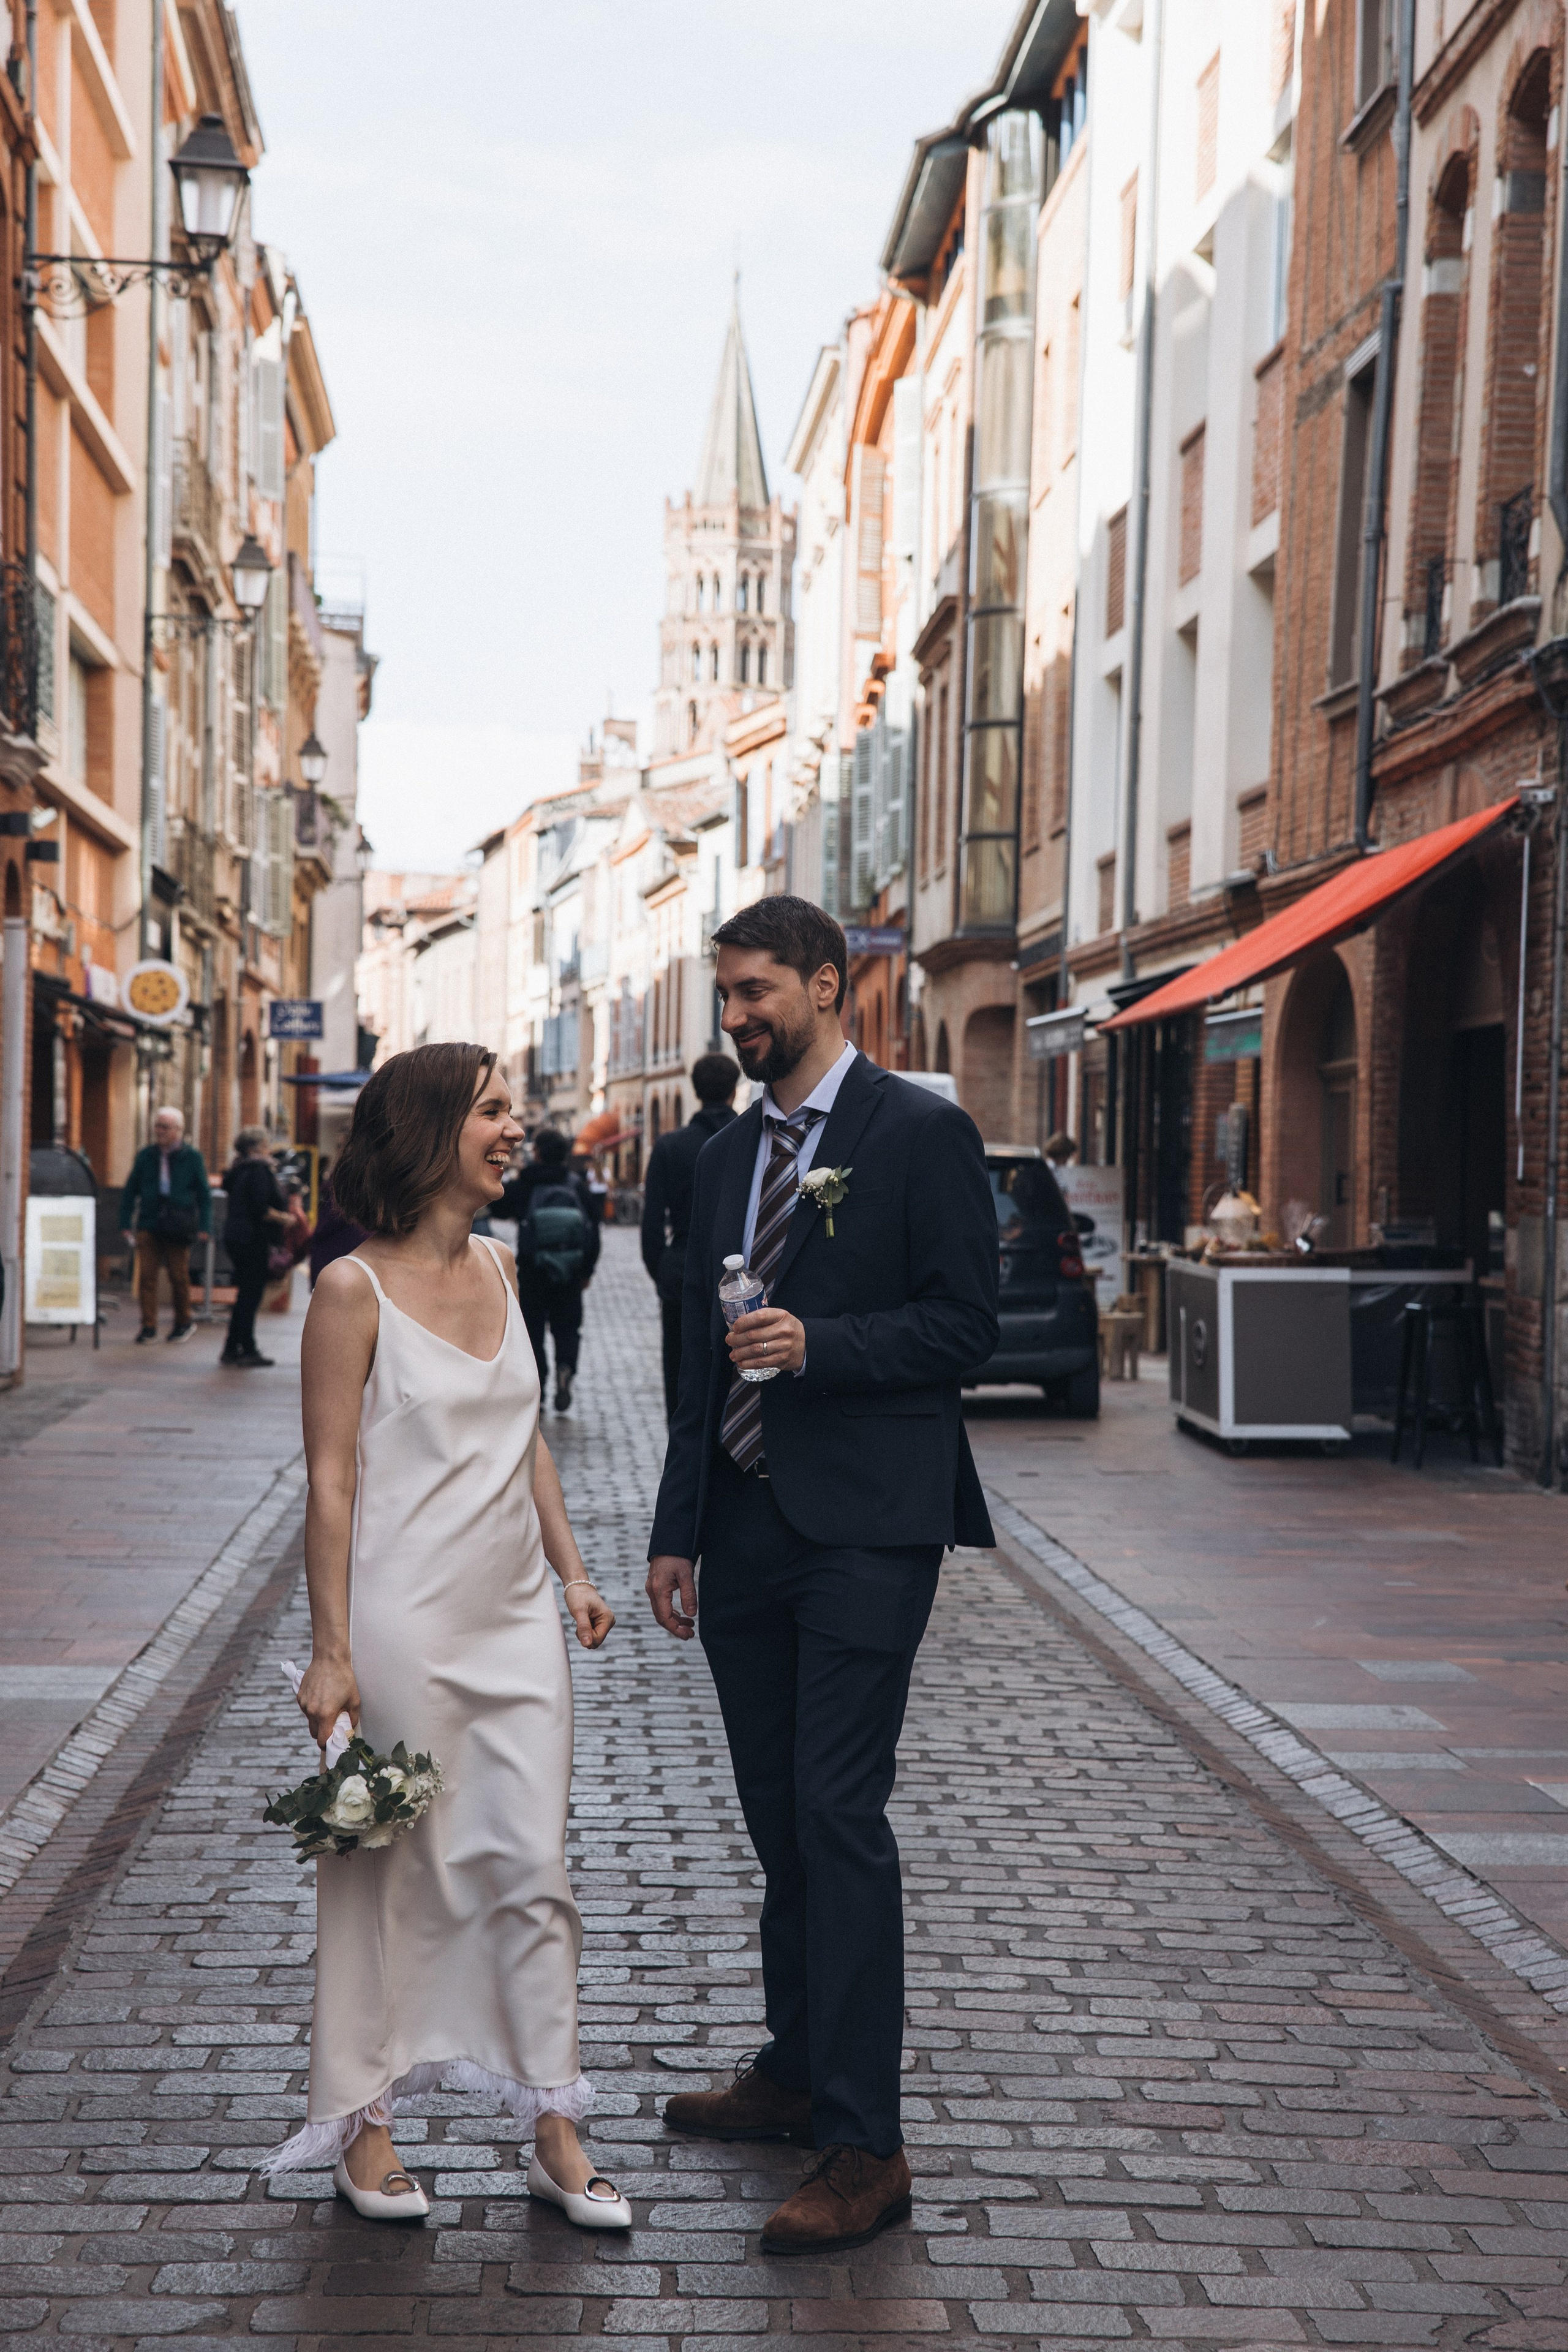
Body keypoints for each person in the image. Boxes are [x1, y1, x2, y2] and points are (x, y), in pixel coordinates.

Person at [645, 895, 998, 2256]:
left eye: (757, 992)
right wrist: (677, 1529)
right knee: (778, 1819)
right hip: (741, 1528)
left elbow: (963, 1326)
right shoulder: (724, 1155)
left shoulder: (918, 1132)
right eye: (726, 995)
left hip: (866, 1530)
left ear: (827, 985)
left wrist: (821, 1347)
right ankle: (794, 2071)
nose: (737, 1016)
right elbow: (696, 1361)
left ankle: (864, 2144)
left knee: (838, 1815)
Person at [263, 1041, 628, 2231]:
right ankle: (364, 2124)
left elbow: (526, 1442)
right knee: (387, 1872)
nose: (514, 1129)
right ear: (427, 1133)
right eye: (491, 1110)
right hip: (404, 1624)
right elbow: (330, 1484)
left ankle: (554, 2129)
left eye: (513, 1109)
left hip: (516, 1624)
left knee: (532, 1871)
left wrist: (573, 1574)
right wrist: (331, 1651)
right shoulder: (348, 1292)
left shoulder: (507, 1268)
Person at [640, 1054, 742, 1419]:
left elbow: (651, 1224)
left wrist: (664, 1271)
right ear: (734, 1091)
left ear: (696, 1091)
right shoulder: (750, 1139)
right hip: (745, 1275)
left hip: (682, 1270)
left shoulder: (670, 1145)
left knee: (682, 1374)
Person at [500, 1130, 600, 1412]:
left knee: (532, 1331)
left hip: (533, 1269)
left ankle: (540, 1388)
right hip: (570, 1271)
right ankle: (565, 1368)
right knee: (567, 1327)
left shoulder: (527, 1182)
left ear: (538, 1153)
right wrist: (587, 1269)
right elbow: (593, 1228)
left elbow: (502, 1207)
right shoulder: (576, 1185)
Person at [119, 1106, 211, 1344]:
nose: (160, 1131)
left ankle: (183, 1321)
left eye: (165, 1127)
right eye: (158, 1126)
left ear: (178, 1130)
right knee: (146, 1276)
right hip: (149, 1221)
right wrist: (125, 1222)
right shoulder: (146, 1156)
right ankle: (148, 1325)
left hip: (178, 1223)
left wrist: (205, 1226)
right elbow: (130, 1190)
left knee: (178, 1276)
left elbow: (204, 1194)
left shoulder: (192, 1157)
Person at [220, 1128, 289, 1368]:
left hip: (236, 1238)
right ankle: (247, 1348)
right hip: (253, 1239)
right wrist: (286, 1218)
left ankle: (232, 1348)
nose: (269, 1150)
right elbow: (261, 1209)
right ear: (253, 1149)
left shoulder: (238, 1169)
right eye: (265, 1145)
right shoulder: (259, 1170)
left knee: (245, 1294)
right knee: (250, 1296)